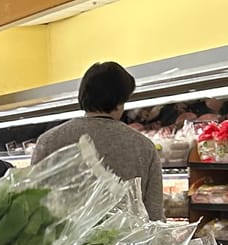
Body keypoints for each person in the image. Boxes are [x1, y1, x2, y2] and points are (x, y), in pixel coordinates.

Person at [30, 61, 165, 220]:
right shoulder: (143, 146)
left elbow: (32, 203)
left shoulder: (50, 141)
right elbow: (154, 214)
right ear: (120, 100)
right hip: (125, 242)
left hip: (63, 241)